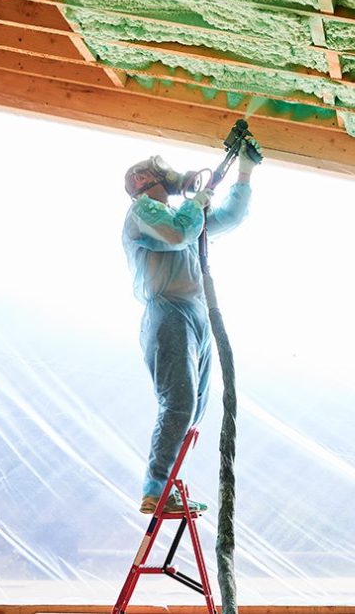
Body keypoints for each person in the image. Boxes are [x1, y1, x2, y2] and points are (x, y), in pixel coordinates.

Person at [122, 141, 259, 515]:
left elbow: (228, 219)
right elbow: (177, 235)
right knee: (179, 403)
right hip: (167, 315)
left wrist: (244, 174)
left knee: (194, 409)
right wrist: (196, 203)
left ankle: (167, 486)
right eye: (158, 170)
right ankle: (156, 488)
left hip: (194, 316)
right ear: (141, 180)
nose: (169, 175)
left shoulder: (183, 216)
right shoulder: (144, 211)